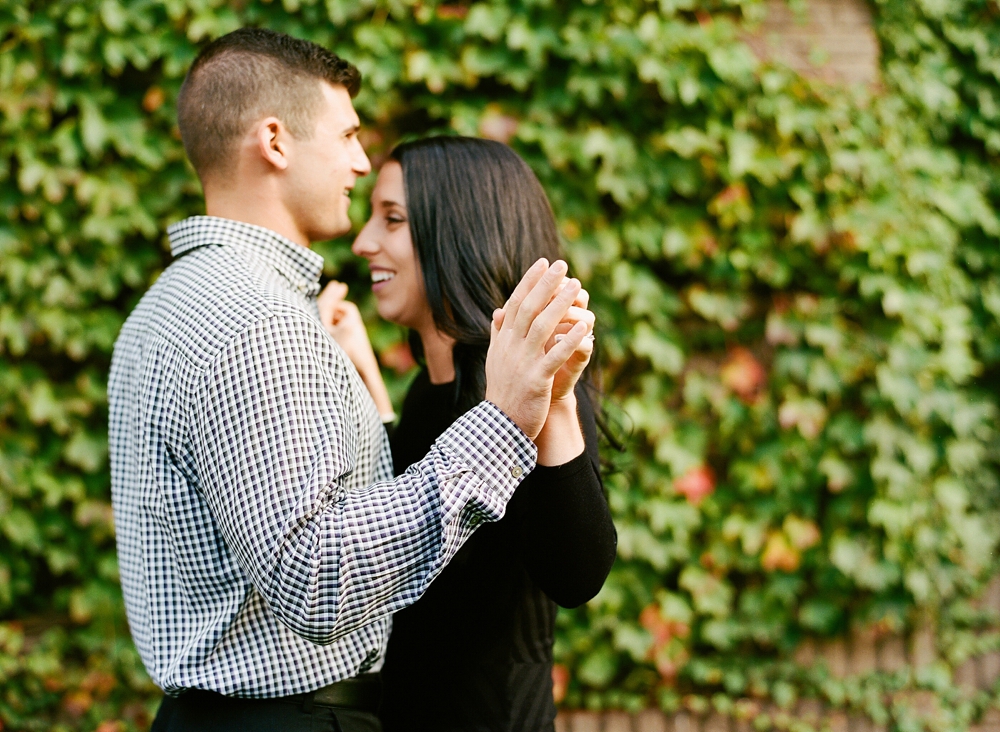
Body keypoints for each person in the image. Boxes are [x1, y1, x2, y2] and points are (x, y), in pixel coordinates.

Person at [107, 29, 595, 732]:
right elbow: (316, 576)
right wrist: (503, 418)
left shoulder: (170, 304)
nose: (360, 161)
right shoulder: (257, 322)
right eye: (346, 136)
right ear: (275, 141)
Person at [319, 137, 618, 732]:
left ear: (457, 231)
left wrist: (552, 403)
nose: (363, 242)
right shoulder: (433, 388)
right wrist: (364, 373)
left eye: (393, 219)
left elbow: (576, 572)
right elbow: (413, 491)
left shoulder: (510, 389)